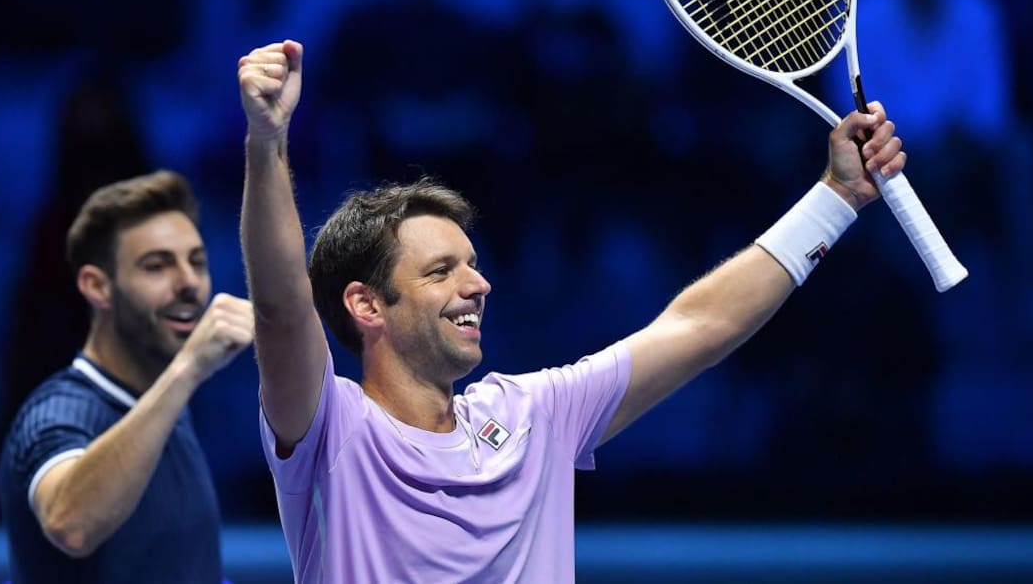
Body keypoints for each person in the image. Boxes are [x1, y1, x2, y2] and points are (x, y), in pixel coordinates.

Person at [238, 40, 905, 581]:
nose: (478, 285)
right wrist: (267, 143)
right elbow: (281, 307)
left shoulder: (534, 416)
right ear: (366, 304)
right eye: (442, 271)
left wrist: (837, 196)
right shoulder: (333, 429)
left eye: (473, 264)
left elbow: (701, 325)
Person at [0, 170, 254, 583]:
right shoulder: (56, 412)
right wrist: (188, 368)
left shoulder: (169, 409)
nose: (189, 283)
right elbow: (70, 525)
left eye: (197, 262)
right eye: (157, 266)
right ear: (97, 287)